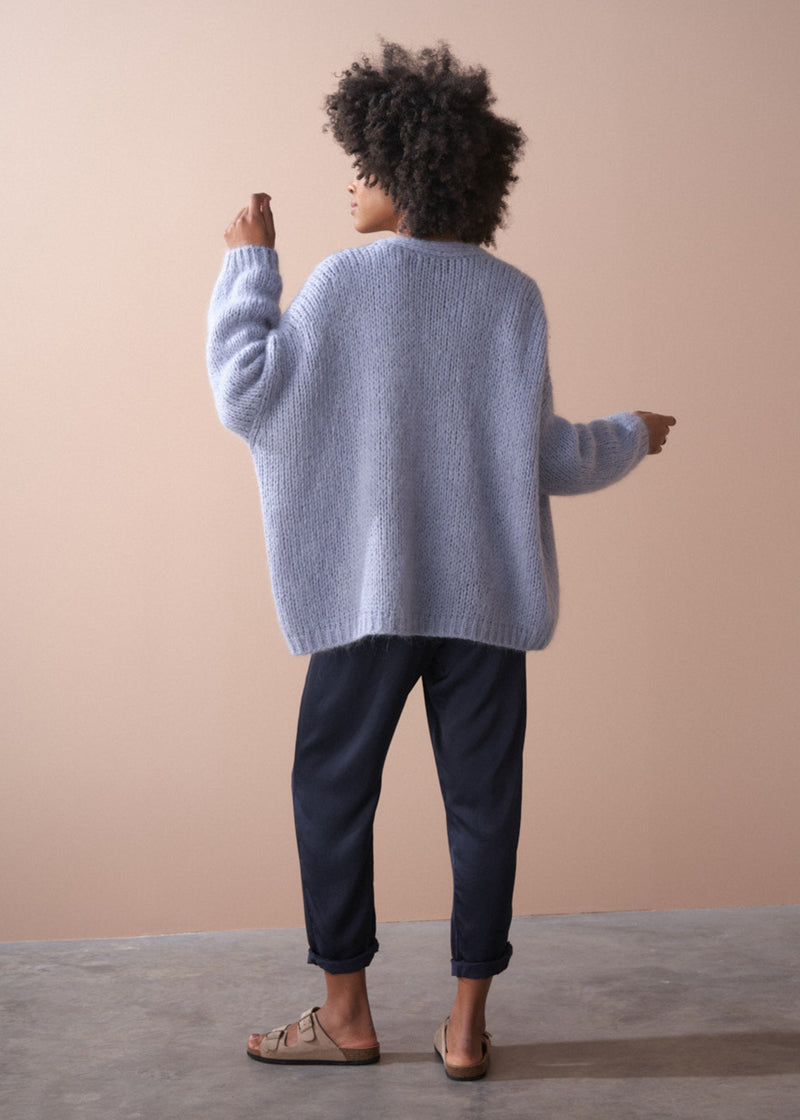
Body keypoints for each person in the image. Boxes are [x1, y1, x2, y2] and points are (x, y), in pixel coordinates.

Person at [207, 41, 675, 1081]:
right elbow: (545, 456)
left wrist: (249, 263)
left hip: (367, 602)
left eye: (365, 164)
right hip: (484, 602)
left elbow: (247, 394)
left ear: (408, 170)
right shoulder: (512, 298)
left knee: (331, 788)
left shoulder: (338, 286)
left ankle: (346, 1014)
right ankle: (465, 1028)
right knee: (483, 803)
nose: (350, 181)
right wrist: (629, 434)